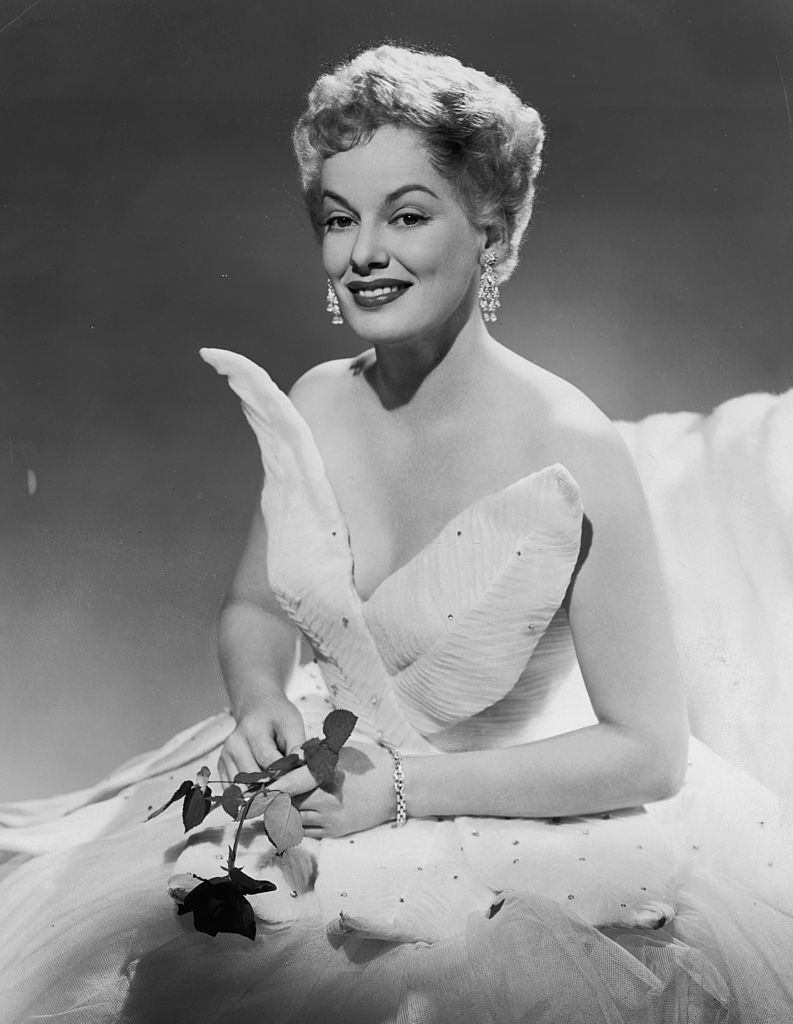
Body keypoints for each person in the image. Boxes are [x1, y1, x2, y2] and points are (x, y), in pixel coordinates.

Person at [0, 43, 791, 1024]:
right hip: (325, 783)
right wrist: (255, 696)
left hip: (511, 833)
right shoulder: (320, 404)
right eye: (339, 220)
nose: (363, 252)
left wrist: (405, 793)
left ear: (492, 236)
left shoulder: (572, 445)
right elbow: (255, 603)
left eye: (406, 215)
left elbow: (648, 752)